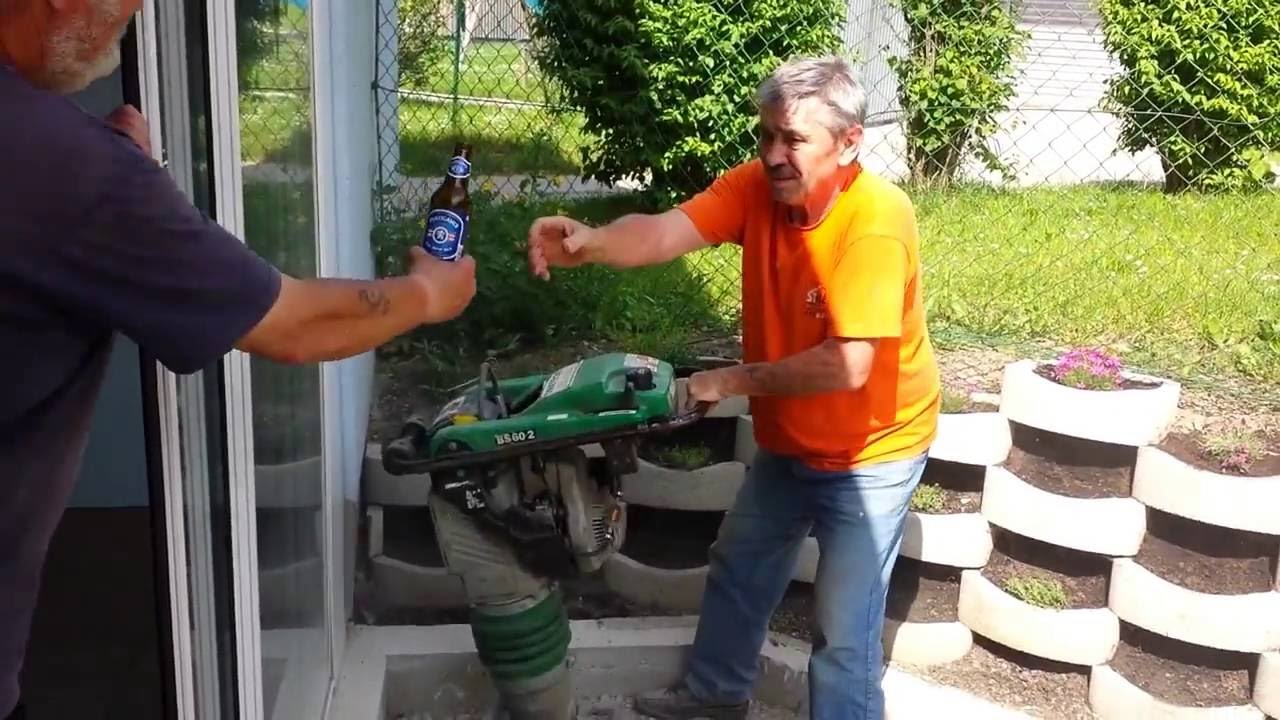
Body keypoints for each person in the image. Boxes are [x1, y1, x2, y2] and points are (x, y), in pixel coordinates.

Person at [0, 1, 477, 718]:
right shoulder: (63, 169)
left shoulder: (55, 164)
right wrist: (427, 293)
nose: (135, 13)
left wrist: (112, 189)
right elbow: (293, 325)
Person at [526, 54, 940, 720]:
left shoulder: (877, 220)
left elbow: (849, 365)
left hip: (872, 452)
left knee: (844, 627)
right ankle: (714, 698)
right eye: (766, 135)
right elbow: (665, 231)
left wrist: (729, 381)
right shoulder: (755, 188)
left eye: (793, 139)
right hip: (791, 438)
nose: (773, 155)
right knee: (741, 566)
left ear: (849, 143)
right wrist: (592, 241)